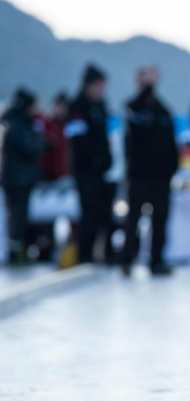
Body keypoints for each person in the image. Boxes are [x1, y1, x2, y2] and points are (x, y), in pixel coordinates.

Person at [121, 66, 179, 276]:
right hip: (138, 176)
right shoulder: (132, 108)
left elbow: (172, 145)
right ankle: (127, 259)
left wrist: (172, 170)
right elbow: (130, 141)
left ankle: (156, 260)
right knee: (133, 220)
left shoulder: (164, 111)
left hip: (160, 178)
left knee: (160, 222)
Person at [66, 64, 114, 263]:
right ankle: (84, 255)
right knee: (88, 212)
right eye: (99, 86)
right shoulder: (77, 106)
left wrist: (106, 160)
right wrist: (93, 160)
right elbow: (77, 140)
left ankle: (103, 252)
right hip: (84, 171)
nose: (102, 90)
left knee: (105, 213)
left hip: (102, 171)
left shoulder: (101, 106)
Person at [1, 88, 45, 264]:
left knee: (20, 217)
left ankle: (20, 250)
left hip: (19, 178)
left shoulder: (16, 122)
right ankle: (16, 253)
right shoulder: (17, 124)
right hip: (18, 179)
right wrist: (39, 140)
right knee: (17, 218)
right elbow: (29, 147)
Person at [40, 92, 70, 182]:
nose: (60, 109)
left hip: (67, 174)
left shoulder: (71, 126)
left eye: (63, 106)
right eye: (58, 106)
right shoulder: (48, 125)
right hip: (49, 174)